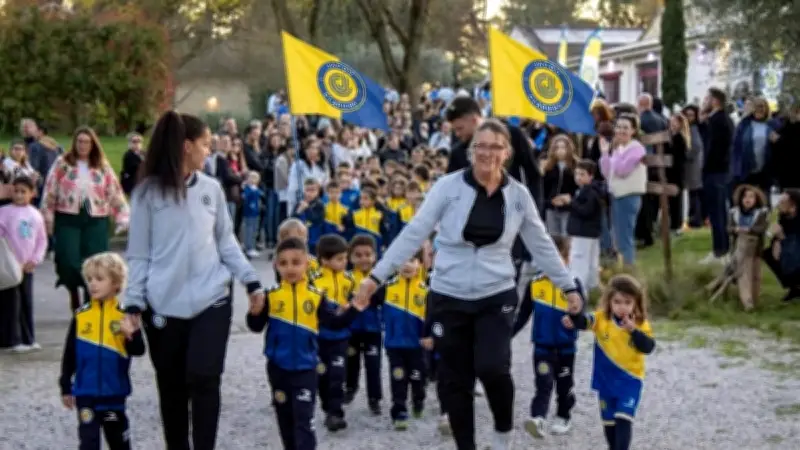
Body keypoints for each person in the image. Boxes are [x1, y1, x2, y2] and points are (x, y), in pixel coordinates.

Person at [353, 119, 582, 450]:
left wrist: (568, 287)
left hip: (496, 294)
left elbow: (542, 244)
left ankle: (502, 436)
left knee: (492, 368)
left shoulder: (518, 196)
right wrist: (375, 278)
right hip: (449, 294)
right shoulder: (447, 188)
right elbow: (414, 233)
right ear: (471, 150)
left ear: (508, 153)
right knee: (454, 379)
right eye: (480, 146)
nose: (487, 153)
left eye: (495, 146)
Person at [122, 111, 265, 450]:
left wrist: (252, 282)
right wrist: (132, 304)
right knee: (171, 388)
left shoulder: (212, 189)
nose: (209, 150)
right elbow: (138, 254)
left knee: (204, 378)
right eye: (205, 144)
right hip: (163, 305)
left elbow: (227, 241)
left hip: (211, 299)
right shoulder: (146, 195)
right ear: (186, 147)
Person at [245, 237, 367, 450]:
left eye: (296, 262)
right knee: (286, 420)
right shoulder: (271, 296)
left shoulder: (317, 296)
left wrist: (355, 308)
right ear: (276, 266)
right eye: (284, 263)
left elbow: (335, 322)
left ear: (307, 264)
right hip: (278, 369)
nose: (290, 268)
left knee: (304, 420)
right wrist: (253, 313)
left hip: (306, 369)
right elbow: (256, 326)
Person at [59, 252, 146, 450]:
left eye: (99, 279)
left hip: (113, 396)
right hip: (86, 395)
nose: (93, 284)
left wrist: (131, 334)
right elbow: (69, 353)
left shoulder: (123, 316)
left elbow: (138, 350)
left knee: (118, 441)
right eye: (89, 279)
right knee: (88, 442)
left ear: (116, 283)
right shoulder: (81, 316)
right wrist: (65, 384)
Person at [41, 127, 129, 310]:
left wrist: (122, 216)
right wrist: (47, 217)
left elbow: (114, 191)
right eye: (79, 141)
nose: (83, 145)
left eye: (87, 142)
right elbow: (50, 190)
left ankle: (92, 301)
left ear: (93, 144)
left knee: (96, 262)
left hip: (96, 219)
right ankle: (74, 290)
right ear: (74, 143)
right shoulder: (62, 163)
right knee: (68, 260)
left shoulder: (101, 166)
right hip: (68, 217)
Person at [566, 274, 656, 450]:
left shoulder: (640, 324)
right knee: (609, 426)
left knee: (624, 419)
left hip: (630, 381)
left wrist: (633, 331)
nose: (622, 307)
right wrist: (574, 313)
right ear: (609, 302)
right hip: (605, 383)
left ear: (636, 304)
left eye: (627, 302)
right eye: (617, 302)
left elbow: (649, 347)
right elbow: (583, 322)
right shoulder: (601, 319)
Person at [512, 235, 583, 439]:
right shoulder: (535, 284)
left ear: (567, 259)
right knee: (543, 384)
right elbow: (523, 314)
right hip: (542, 347)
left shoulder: (573, 284)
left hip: (566, 348)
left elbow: (582, 313)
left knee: (564, 384)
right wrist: (507, 335)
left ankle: (563, 415)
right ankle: (538, 418)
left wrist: (576, 319)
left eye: (557, 257)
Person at [370, 250, 429, 430]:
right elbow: (368, 301)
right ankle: (399, 410)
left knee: (417, 378)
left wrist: (431, 336)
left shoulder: (426, 291)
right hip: (394, 344)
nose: (407, 265)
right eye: (402, 260)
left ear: (419, 263)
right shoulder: (387, 288)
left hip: (417, 345)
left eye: (411, 260)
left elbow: (434, 316)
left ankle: (418, 400)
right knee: (398, 378)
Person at [311, 234, 356, 432]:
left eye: (345, 258)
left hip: (341, 337)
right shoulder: (315, 282)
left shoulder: (349, 280)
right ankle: (326, 406)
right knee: (322, 375)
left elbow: (353, 303)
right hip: (320, 337)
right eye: (339, 259)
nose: (344, 262)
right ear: (325, 260)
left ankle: (335, 413)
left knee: (338, 375)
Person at [0, 176, 47, 352]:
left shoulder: (35, 214)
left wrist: (35, 259)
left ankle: (29, 338)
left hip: (27, 267)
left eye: (23, 192)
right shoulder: (4, 212)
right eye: (16, 191)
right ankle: (12, 339)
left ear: (32, 194)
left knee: (26, 301)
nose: (19, 195)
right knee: (11, 302)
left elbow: (41, 240)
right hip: (9, 266)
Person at [599, 114, 647, 267]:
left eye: (625, 128)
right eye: (618, 127)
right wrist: (605, 153)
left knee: (624, 238)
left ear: (633, 130)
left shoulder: (636, 149)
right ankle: (622, 269)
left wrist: (616, 154)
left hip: (629, 197)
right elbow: (606, 172)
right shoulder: (618, 148)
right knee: (617, 238)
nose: (621, 131)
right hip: (616, 196)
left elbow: (621, 170)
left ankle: (629, 270)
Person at [344, 235, 384, 414]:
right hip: (351, 330)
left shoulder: (379, 278)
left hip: (373, 329)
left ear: (375, 256)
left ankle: (374, 398)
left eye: (368, 254)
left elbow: (382, 299)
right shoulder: (346, 279)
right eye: (358, 255)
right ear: (350, 257)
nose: (363, 259)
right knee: (351, 363)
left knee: (373, 365)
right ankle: (350, 388)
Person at [701, 88, 735, 264]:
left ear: (715, 101)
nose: (704, 101)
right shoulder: (716, 120)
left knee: (717, 212)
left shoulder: (718, 121)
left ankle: (720, 250)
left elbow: (714, 150)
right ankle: (720, 248)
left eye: (707, 98)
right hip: (718, 171)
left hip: (716, 172)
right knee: (717, 211)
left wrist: (705, 167)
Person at [567, 160, 604, 293]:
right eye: (576, 174)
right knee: (591, 263)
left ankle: (578, 291)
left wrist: (571, 203)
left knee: (578, 263)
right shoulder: (588, 190)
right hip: (590, 233)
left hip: (583, 232)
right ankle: (591, 288)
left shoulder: (590, 193)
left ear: (591, 176)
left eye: (582, 174)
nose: (578, 177)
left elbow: (586, 211)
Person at [763, 189, 800, 301]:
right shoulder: (783, 217)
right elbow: (777, 237)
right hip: (789, 248)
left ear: (793, 205)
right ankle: (794, 287)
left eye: (782, 201)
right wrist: (777, 240)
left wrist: (782, 239)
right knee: (768, 254)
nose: (778, 204)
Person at [542, 135, 579, 236]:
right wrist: (549, 201)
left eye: (563, 147)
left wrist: (569, 198)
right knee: (553, 238)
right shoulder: (549, 166)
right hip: (551, 208)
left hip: (568, 209)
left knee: (566, 238)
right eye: (557, 148)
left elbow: (579, 189)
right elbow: (544, 189)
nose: (560, 150)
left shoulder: (575, 166)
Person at [242, 171, 265, 257]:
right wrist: (251, 191)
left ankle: (252, 246)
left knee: (254, 229)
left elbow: (261, 194)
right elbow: (244, 196)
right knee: (249, 230)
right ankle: (249, 247)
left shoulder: (256, 188)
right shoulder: (248, 188)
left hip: (255, 212)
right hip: (249, 212)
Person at [120, 132, 144, 196]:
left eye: (139, 141)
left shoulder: (143, 153)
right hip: (131, 181)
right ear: (130, 143)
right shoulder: (128, 155)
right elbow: (133, 168)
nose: (137, 144)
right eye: (134, 142)